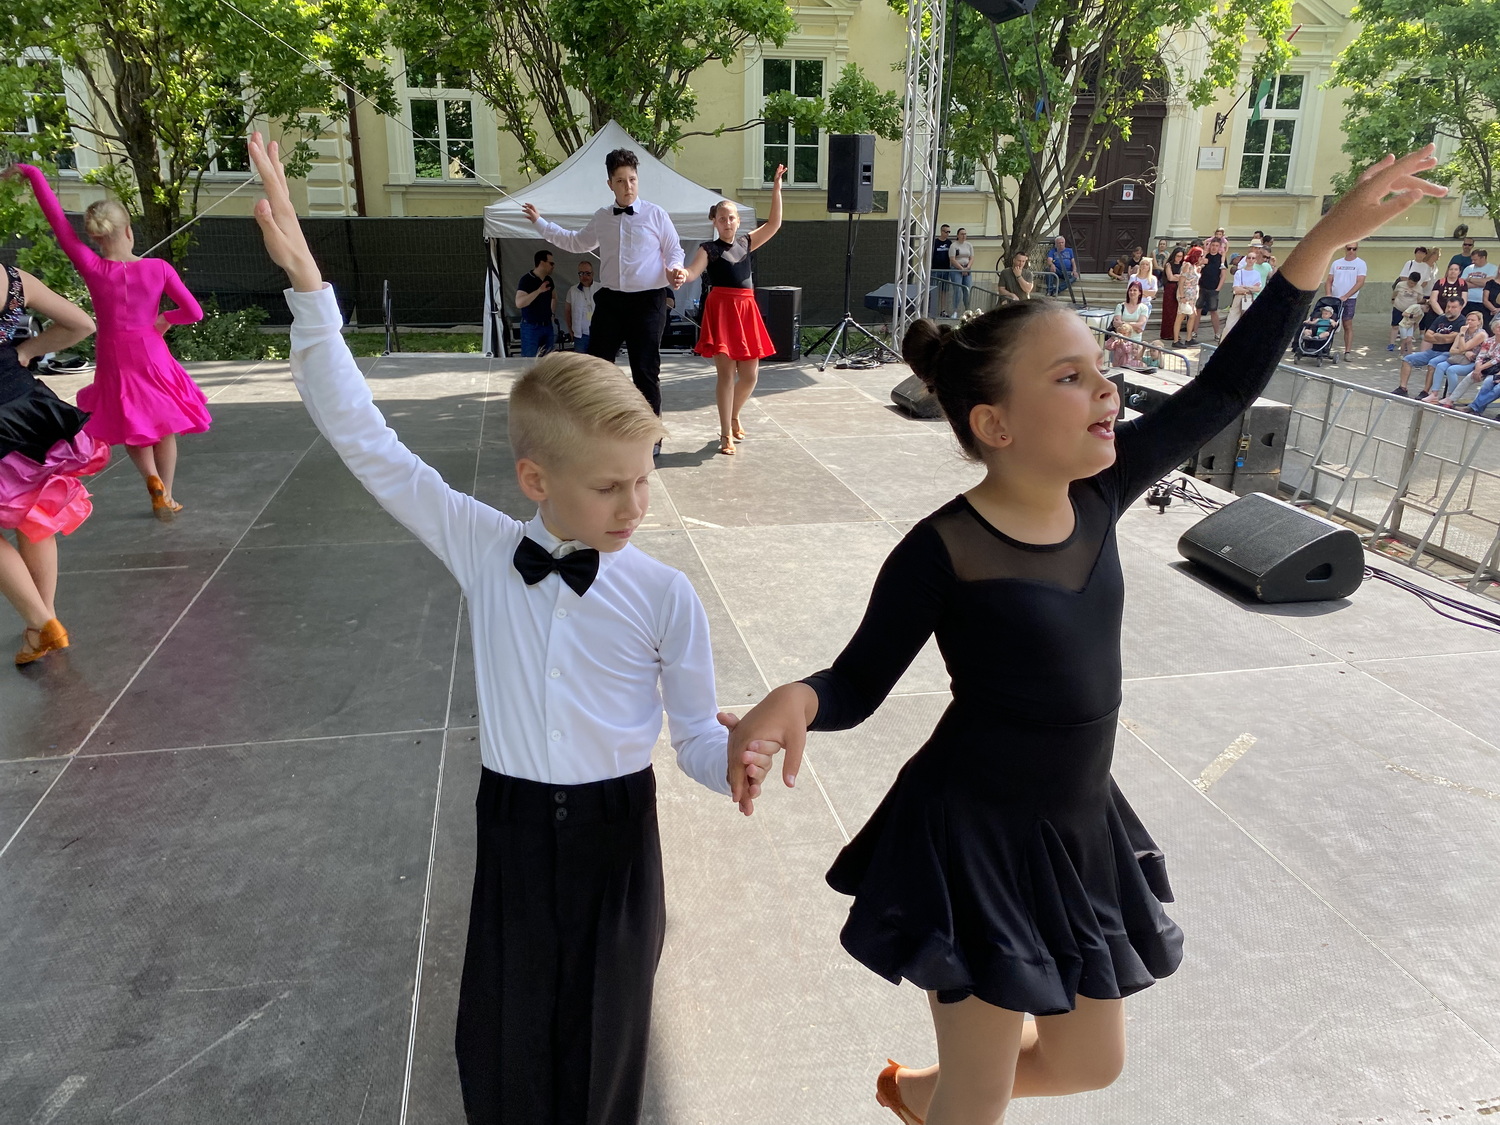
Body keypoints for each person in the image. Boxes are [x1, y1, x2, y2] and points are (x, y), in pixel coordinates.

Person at [721, 147, 1445, 1125]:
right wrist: (795, 701)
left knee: (1089, 1061)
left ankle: (918, 1093)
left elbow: (1220, 395)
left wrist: (1320, 243)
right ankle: (946, 1098)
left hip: (1077, 825)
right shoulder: (943, 550)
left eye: (1101, 369)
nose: (1106, 390)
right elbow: (855, 681)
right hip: (973, 841)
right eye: (1071, 377)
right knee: (982, 1100)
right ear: (997, 425)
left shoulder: (1102, 492)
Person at [246, 133, 777, 1125]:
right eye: (609, 486)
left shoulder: (665, 595)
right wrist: (311, 291)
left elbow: (695, 742)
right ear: (536, 480)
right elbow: (367, 440)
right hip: (516, 827)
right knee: (505, 1040)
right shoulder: (484, 546)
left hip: (620, 839)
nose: (635, 506)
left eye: (643, 480)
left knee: (606, 1050)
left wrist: (735, 759)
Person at [17, 164, 208, 521]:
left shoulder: (92, 267)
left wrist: (33, 173)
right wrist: (165, 318)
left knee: (132, 422)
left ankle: (151, 479)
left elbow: (58, 222)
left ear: (96, 238)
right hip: (151, 351)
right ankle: (167, 493)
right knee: (163, 425)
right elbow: (194, 312)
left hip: (113, 353)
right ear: (129, 231)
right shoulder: (159, 268)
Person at [523, 147, 687, 438]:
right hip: (611, 300)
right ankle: (595, 428)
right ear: (610, 184)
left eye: (632, 180)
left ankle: (651, 436)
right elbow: (574, 242)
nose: (628, 186)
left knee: (645, 369)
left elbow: (674, 250)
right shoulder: (602, 217)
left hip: (648, 301)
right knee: (596, 365)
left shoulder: (656, 214)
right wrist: (540, 222)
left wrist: (676, 269)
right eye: (621, 181)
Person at [0, 258, 106, 666]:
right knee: (35, 515)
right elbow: (81, 324)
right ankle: (43, 623)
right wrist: (26, 350)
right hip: (24, 406)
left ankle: (41, 622)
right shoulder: (12, 279)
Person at [680, 165, 784, 456]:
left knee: (750, 376)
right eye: (722, 218)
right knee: (726, 376)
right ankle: (725, 432)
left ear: (738, 221)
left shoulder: (746, 242)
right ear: (715, 221)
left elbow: (774, 224)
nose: (727, 222)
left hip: (746, 310)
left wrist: (776, 188)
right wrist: (682, 274)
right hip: (722, 311)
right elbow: (693, 271)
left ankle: (734, 415)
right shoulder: (708, 249)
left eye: (731, 218)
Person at [1396, 295, 1466, 396]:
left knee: (1433, 363)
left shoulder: (1462, 322)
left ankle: (1425, 392)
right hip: (1433, 351)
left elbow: (1451, 339)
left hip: (1448, 353)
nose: (1449, 309)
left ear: (1460, 308)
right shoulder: (1441, 318)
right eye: (1448, 306)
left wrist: (1437, 336)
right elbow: (1427, 337)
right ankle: (1402, 388)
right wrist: (1442, 338)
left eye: (1453, 307)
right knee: (1407, 359)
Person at [1427, 309, 1488, 406]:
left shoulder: (1480, 334)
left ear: (1479, 322)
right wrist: (1465, 352)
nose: (1469, 322)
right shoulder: (1462, 332)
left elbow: (1463, 347)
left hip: (1474, 361)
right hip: (1459, 358)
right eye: (1468, 319)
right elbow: (1452, 350)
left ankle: (1451, 396)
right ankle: (1434, 393)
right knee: (1440, 366)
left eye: (1472, 320)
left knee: (1452, 370)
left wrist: (1462, 338)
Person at [1326, 242, 1367, 359]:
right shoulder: (1336, 263)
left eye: (1354, 249)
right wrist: (1328, 294)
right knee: (1328, 323)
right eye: (1349, 249)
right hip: (1334, 298)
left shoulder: (1361, 263)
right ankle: (1325, 347)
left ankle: (1347, 352)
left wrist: (1346, 295)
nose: (1351, 251)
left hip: (1350, 299)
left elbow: (1360, 282)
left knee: (1347, 324)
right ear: (1345, 248)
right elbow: (1329, 280)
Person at [515, 249, 556, 357]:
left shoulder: (549, 280)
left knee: (549, 360)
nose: (553, 266)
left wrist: (552, 313)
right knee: (530, 360)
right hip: (531, 326)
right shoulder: (526, 280)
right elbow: (519, 303)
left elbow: (554, 297)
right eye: (551, 263)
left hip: (547, 325)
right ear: (542, 263)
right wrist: (538, 291)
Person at [1460, 316, 1500, 416]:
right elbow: (1481, 355)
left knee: (1497, 389)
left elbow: (1496, 359)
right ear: (1493, 329)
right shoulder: (1489, 341)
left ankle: (1474, 407)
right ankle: (1475, 409)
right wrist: (1478, 368)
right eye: (1498, 327)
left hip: (1494, 369)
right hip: (1491, 370)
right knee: (1487, 383)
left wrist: (1480, 368)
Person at [1224, 248, 1264, 335]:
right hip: (1239, 297)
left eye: (1253, 258)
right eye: (1249, 258)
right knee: (1231, 322)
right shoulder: (1239, 272)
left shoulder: (1257, 274)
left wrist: (1245, 287)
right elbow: (1236, 289)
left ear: (1255, 260)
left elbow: (1258, 288)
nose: (1251, 260)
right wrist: (1251, 288)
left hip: (1250, 298)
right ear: (1246, 259)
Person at [1108, 280, 1149, 366]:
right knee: (1118, 364)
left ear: (1140, 293)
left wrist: (1123, 323)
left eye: (1135, 290)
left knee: (1133, 365)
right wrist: (1135, 326)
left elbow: (1140, 324)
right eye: (1130, 290)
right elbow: (1116, 323)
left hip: (1135, 343)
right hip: (1120, 342)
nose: (1132, 292)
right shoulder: (1120, 306)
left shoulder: (1144, 308)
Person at [1198, 234, 1229, 341]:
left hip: (1213, 288)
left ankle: (1217, 333)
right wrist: (1204, 255)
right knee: (1197, 310)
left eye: (1216, 246)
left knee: (1213, 311)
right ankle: (1194, 332)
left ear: (1219, 247)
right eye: (1212, 245)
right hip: (1202, 287)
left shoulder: (1221, 259)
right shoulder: (1205, 256)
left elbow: (1223, 275)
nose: (1214, 247)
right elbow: (1198, 267)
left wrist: (1218, 289)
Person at [1390, 272, 1428, 351]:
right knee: (1395, 326)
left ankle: (1406, 344)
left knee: (1409, 326)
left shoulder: (1419, 288)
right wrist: (1393, 299)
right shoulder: (1400, 285)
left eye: (1414, 283)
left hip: (1411, 311)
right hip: (1398, 307)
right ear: (1408, 279)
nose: (1412, 285)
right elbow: (1395, 293)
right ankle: (1391, 344)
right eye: (1410, 283)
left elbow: (1419, 299)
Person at [564, 259, 596, 353]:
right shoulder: (572, 290)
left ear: (593, 274)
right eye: (581, 273)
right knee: (580, 362)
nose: (584, 276)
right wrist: (570, 330)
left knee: (597, 361)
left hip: (598, 335)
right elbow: (567, 311)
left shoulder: (600, 288)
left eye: (587, 273)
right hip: (580, 336)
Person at [1425, 263, 1468, 330]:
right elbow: (1433, 300)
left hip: (1454, 316)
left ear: (1459, 272)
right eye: (1451, 269)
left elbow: (1463, 301)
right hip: (1436, 314)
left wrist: (1455, 312)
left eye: (1456, 269)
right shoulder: (1440, 282)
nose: (1453, 271)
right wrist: (1442, 315)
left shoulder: (1462, 283)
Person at [1174, 247, 1202, 345]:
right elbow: (1181, 282)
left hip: (1192, 297)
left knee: (1192, 315)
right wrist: (1182, 296)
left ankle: (1189, 338)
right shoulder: (1187, 265)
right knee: (1180, 316)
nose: (1201, 257)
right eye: (1200, 255)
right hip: (1185, 295)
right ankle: (1175, 340)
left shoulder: (1194, 266)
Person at [1159, 247, 1184, 344]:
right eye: (1177, 256)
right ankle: (1167, 333)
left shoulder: (1183, 265)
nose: (1179, 258)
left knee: (1177, 312)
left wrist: (1178, 277)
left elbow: (1184, 277)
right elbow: (1170, 277)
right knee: (1168, 312)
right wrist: (1179, 277)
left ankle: (1175, 333)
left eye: (1181, 256)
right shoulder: (1169, 265)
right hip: (1170, 289)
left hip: (1179, 288)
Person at [1461, 249, 1495, 318]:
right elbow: (1463, 284)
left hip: (1484, 303)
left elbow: (1489, 283)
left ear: (1483, 258)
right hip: (1468, 301)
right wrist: (1481, 283)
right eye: (1472, 259)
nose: (1473, 262)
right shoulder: (1468, 268)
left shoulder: (1493, 269)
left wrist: (1470, 279)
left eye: (1475, 260)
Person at [932, 225, 954, 316]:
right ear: (941, 231)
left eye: (949, 232)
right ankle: (932, 309)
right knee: (933, 290)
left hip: (945, 270)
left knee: (944, 291)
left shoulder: (949, 243)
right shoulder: (935, 242)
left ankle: (943, 310)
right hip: (935, 269)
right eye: (946, 232)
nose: (947, 234)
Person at [951, 229, 975, 312]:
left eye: (965, 234)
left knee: (967, 290)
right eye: (962, 234)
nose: (964, 236)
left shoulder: (969, 245)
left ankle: (967, 310)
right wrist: (961, 269)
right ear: (958, 235)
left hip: (967, 269)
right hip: (956, 269)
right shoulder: (954, 245)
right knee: (957, 290)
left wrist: (967, 267)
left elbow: (972, 258)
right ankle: (955, 310)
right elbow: (952, 259)